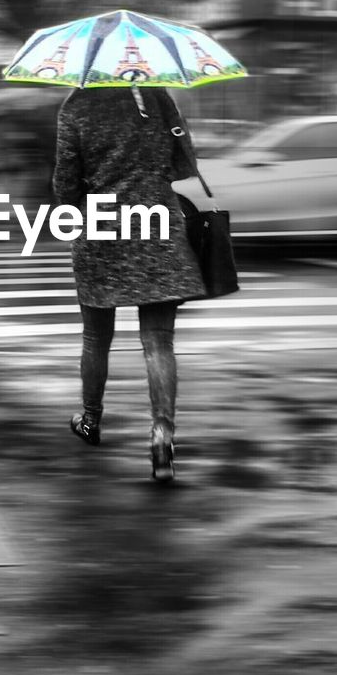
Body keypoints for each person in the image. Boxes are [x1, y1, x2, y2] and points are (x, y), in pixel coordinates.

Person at [51, 84, 205, 480]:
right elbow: (185, 163)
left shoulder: (76, 104)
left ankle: (90, 420)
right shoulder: (156, 96)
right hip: (158, 227)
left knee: (95, 337)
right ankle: (162, 436)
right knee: (158, 340)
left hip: (101, 230)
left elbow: (66, 186)